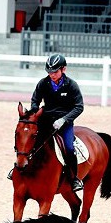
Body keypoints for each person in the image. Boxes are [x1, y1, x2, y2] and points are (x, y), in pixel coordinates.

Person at [30, 53, 84, 192]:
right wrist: (35, 111)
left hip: (64, 122)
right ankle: (20, 169)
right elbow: (35, 100)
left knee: (69, 148)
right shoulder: (43, 83)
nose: (52, 75)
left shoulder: (71, 85)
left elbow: (79, 107)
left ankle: (74, 179)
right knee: (29, 141)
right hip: (46, 120)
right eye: (49, 72)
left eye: (54, 72)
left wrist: (64, 119)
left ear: (63, 69)